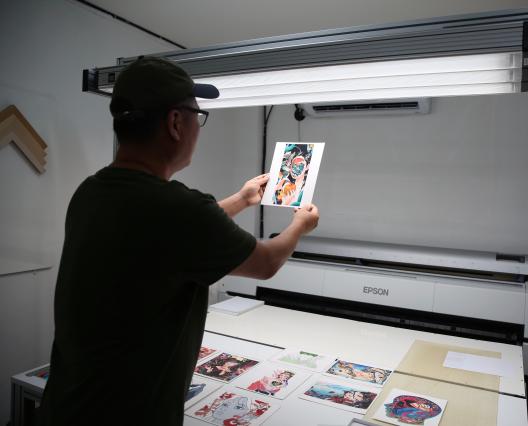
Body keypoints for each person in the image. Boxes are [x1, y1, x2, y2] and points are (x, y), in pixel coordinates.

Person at [39, 56, 319, 425]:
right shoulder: (176, 206)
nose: (198, 128)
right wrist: (301, 223)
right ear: (175, 122)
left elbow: (168, 235)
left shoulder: (92, 192)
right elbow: (265, 263)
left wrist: (243, 199)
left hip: (68, 405)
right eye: (197, 115)